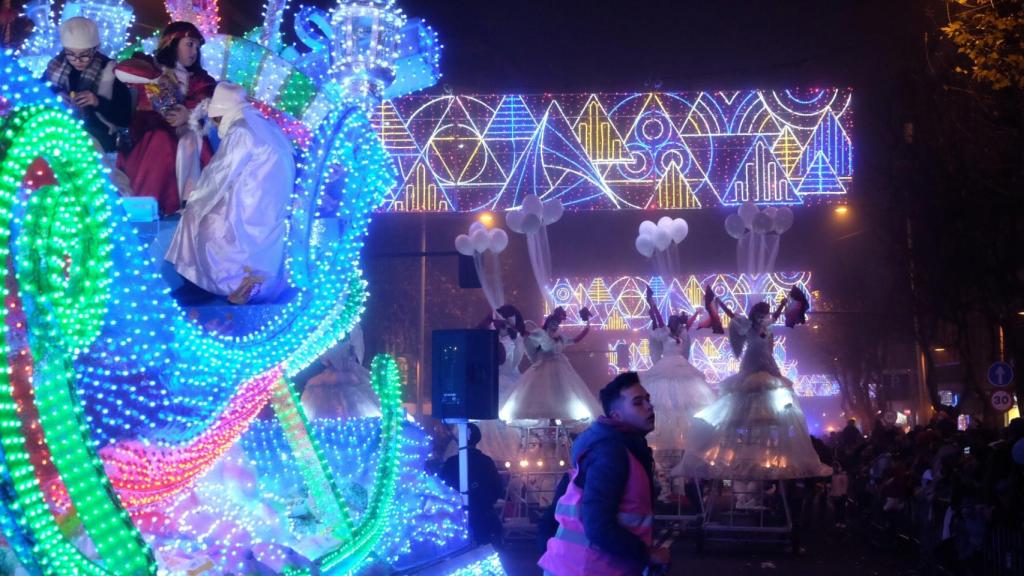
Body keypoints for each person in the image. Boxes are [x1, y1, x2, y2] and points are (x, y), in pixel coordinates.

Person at [673, 289, 832, 480]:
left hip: (767, 364)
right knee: (745, 400)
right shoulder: (747, 327)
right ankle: (741, 453)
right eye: (760, 314)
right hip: (750, 365)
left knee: (770, 403)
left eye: (764, 314)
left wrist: (783, 302)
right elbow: (732, 317)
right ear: (755, 315)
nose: (763, 317)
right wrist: (720, 302)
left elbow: (777, 315)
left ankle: (764, 453)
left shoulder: (769, 326)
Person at [165, 82, 295, 304]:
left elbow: (219, 175)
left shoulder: (241, 129)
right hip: (267, 210)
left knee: (198, 217)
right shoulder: (264, 125)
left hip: (249, 209)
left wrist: (193, 201)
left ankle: (199, 285)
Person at [538, 372, 671, 575]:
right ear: (616, 416)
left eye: (647, 399)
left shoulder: (624, 448)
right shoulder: (611, 453)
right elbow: (598, 525)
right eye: (637, 402)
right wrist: (646, 553)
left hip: (590, 566)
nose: (649, 406)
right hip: (587, 568)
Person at [116, 21, 216, 216]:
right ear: (172, 42)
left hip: (184, 128)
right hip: (148, 127)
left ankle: (189, 202)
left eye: (197, 46)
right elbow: (121, 70)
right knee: (160, 140)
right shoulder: (149, 64)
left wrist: (188, 113)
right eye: (189, 44)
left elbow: (208, 97)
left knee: (192, 139)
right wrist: (155, 79)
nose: (194, 51)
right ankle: (149, 204)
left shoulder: (198, 78)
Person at [640, 287, 716, 464]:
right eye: (673, 321)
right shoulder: (664, 332)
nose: (676, 323)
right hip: (667, 365)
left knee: (683, 402)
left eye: (677, 321)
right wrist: (652, 303)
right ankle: (666, 444)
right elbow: (658, 318)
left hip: (681, 365)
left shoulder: (682, 332)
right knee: (666, 402)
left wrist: (696, 315)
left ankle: (684, 441)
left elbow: (688, 325)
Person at [42, 17, 132, 153]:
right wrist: (53, 95)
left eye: (84, 54)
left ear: (96, 48)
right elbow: (36, 94)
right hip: (57, 127)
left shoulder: (111, 71)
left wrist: (97, 102)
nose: (77, 60)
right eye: (71, 54)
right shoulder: (56, 66)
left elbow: (124, 119)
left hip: (98, 134)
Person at [499, 307, 602, 422]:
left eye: (557, 323)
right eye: (553, 322)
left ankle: (556, 420)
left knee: (561, 393)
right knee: (544, 393)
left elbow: (575, 340)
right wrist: (510, 324)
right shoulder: (540, 334)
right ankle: (549, 421)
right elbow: (525, 333)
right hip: (544, 367)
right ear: (548, 322)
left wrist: (587, 325)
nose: (555, 325)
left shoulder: (561, 338)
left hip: (560, 368)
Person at [474, 305, 529, 464]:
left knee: (507, 424)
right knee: (487, 423)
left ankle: (510, 460)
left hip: (506, 383)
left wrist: (505, 338)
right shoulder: (492, 337)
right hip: (490, 383)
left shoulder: (513, 340)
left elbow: (507, 362)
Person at [440, 423, 504, 546]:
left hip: (455, 517)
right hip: (482, 515)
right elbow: (497, 488)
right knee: (482, 549)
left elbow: (443, 488)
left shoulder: (451, 463)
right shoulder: (486, 462)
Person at [300, 324, 381, 420]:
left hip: (348, 367)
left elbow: (358, 347)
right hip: (335, 368)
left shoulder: (351, 324)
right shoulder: (323, 326)